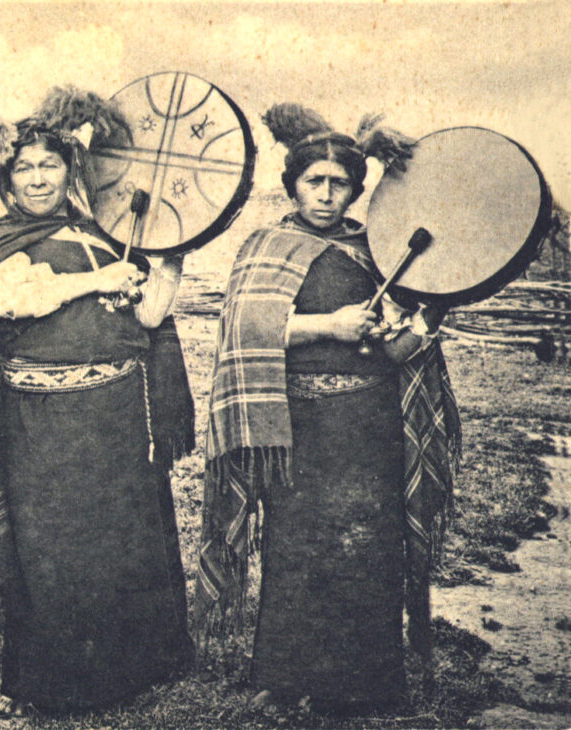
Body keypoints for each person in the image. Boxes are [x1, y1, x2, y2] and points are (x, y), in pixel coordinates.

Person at [0, 87, 195, 714]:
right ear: (5, 175)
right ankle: (54, 684)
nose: (37, 179)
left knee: (116, 540)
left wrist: (168, 260)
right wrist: (96, 279)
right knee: (50, 549)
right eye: (24, 167)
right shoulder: (3, 240)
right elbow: (10, 300)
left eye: (50, 165)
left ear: (71, 169)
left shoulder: (101, 233)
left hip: (115, 417)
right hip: (42, 422)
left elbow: (148, 316)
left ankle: (127, 673)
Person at [197, 103, 461, 714]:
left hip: (367, 428)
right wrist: (331, 326)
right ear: (292, 185)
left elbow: (396, 349)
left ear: (354, 190)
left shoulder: (378, 252)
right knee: (295, 548)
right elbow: (246, 331)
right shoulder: (266, 246)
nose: (325, 194)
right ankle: (284, 677)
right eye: (313, 181)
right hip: (299, 428)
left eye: (338, 183)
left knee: (368, 546)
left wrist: (432, 315)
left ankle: (365, 685)